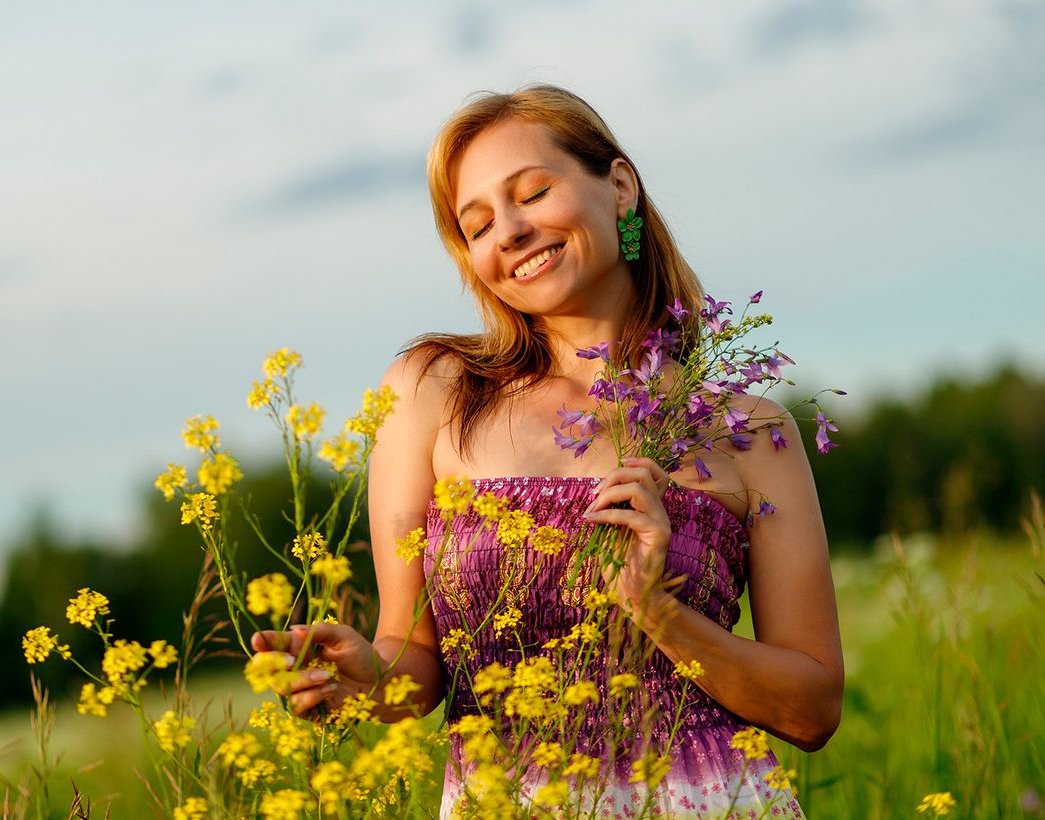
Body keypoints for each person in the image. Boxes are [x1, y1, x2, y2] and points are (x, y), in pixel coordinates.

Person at [251, 85, 842, 817]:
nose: (510, 232)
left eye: (532, 192)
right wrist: (366, 676)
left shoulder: (750, 433)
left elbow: (812, 711)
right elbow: (415, 661)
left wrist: (658, 613)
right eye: (478, 225)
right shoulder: (436, 392)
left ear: (619, 187)